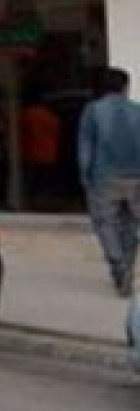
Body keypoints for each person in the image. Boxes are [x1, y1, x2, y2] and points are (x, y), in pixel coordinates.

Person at [81, 67, 140, 296]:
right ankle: (126, 266)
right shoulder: (137, 110)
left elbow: (86, 148)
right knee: (130, 224)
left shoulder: (93, 111)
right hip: (136, 175)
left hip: (104, 176)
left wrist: (85, 176)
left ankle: (118, 265)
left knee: (105, 223)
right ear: (125, 87)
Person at [20, 96, 62, 207]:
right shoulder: (51, 116)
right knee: (45, 180)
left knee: (33, 179)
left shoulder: (27, 113)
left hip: (31, 151)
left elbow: (22, 131)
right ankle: (43, 201)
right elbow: (57, 132)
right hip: (49, 152)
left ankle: (31, 201)